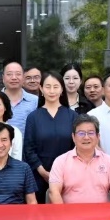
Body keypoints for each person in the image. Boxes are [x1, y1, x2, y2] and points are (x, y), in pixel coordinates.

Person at [24, 73, 77, 204]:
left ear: (62, 89)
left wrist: (63, 173)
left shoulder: (73, 116)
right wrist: (42, 172)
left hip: (69, 175)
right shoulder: (33, 117)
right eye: (48, 87)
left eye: (56, 87)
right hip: (39, 176)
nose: (52, 91)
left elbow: (77, 147)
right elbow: (29, 148)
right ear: (41, 89)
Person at [1, 62, 38, 137]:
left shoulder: (35, 101)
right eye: (9, 74)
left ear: (23, 78)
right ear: (3, 78)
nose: (14, 77)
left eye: (18, 74)